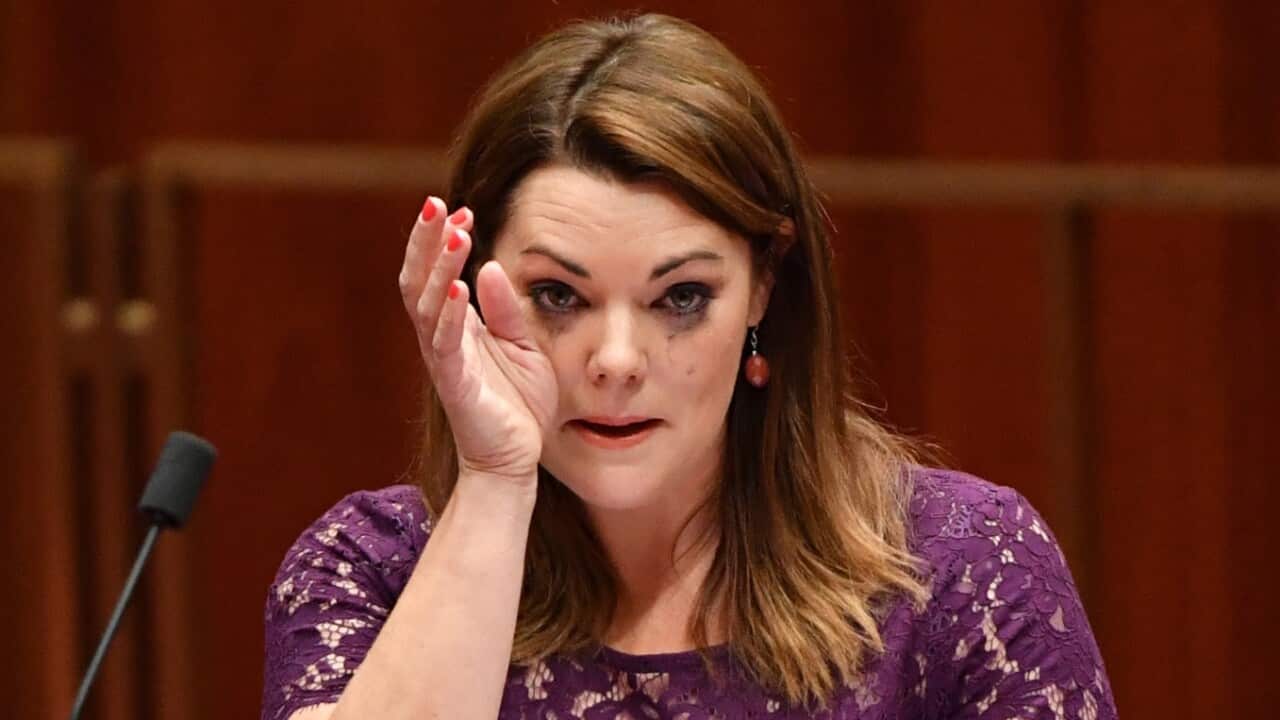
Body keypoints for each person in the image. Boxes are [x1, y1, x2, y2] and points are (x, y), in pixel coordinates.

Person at [262, 13, 1116, 720]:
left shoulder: (961, 571)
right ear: (474, 289)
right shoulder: (369, 570)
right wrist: (494, 478)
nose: (617, 362)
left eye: (679, 299)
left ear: (762, 288)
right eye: (558, 296)